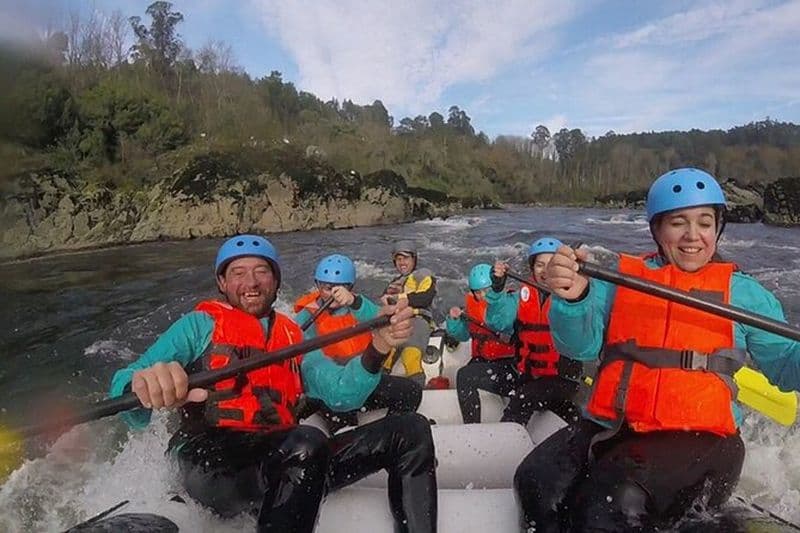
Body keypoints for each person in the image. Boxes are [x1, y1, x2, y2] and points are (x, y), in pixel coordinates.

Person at [514, 168, 800, 532]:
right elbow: (577, 345)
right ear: (657, 229)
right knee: (535, 485)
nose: (693, 236)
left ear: (718, 228)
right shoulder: (620, 279)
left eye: (705, 223)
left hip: (703, 439)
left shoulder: (745, 294)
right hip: (613, 427)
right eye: (678, 223)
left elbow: (788, 363)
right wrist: (574, 300)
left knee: (613, 503)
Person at [109, 235, 437, 533]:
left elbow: (342, 394)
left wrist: (378, 346)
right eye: (238, 272)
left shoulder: (293, 336)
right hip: (210, 461)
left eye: (261, 271)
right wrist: (143, 384)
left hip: (284, 459)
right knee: (305, 444)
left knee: (412, 430)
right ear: (221, 282)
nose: (251, 282)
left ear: (276, 280)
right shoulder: (198, 326)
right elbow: (127, 385)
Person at [294, 253, 422, 430]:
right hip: (328, 388)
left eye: (338, 288)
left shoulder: (357, 305)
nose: (331, 294)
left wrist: (354, 301)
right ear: (317, 285)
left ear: (350, 287)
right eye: (325, 287)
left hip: (361, 379)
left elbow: (377, 314)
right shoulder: (306, 317)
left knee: (411, 392)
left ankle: (388, 432)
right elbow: (309, 364)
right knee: (344, 419)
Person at [484, 238, 583, 427]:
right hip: (529, 374)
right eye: (539, 265)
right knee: (514, 388)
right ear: (532, 267)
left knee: (523, 397)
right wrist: (497, 289)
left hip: (562, 378)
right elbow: (497, 322)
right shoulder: (521, 295)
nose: (545, 271)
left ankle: (506, 445)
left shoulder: (576, 297)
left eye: (552, 264)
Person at [446, 263, 518, 423]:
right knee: (465, 373)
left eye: (487, 290)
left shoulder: (508, 303)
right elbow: (463, 336)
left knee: (464, 375)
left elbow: (505, 324)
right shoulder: (472, 305)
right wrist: (454, 321)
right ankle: (472, 422)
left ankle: (473, 425)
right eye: (478, 292)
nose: (483, 295)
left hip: (507, 363)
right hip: (483, 359)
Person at [381, 240, 437, 386]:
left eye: (406, 258)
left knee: (410, 355)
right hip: (396, 323)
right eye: (398, 259)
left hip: (418, 320)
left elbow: (426, 297)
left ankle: (418, 391)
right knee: (384, 357)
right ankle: (382, 390)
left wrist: (400, 298)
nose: (402, 262)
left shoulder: (423, 275)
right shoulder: (394, 283)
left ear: (414, 259)